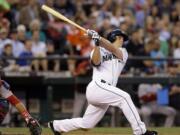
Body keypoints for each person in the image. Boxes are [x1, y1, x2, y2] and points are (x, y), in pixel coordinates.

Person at [48, 29, 158, 135]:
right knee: (124, 98)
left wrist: (98, 38)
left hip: (105, 92)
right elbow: (96, 62)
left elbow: (113, 49)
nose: (123, 40)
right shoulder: (98, 49)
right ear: (115, 37)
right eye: (121, 38)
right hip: (98, 86)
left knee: (87, 124)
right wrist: (97, 44)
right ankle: (140, 132)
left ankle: (56, 126)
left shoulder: (123, 52)